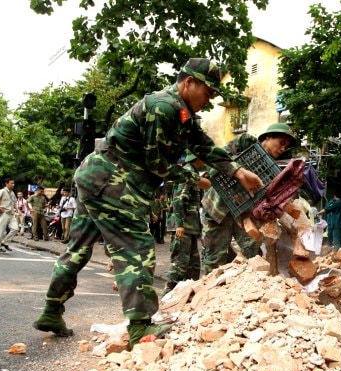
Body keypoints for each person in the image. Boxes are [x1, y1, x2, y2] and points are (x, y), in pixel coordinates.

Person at [32, 57, 263, 348]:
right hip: (111, 181)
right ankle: (140, 326)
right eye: (208, 92)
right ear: (188, 82)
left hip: (97, 178)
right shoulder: (164, 108)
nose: (209, 100)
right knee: (136, 247)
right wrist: (193, 178)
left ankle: (52, 311)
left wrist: (238, 170)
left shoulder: (182, 113)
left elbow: (203, 145)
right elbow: (157, 164)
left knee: (78, 249)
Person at [201, 122, 299, 274]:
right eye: (281, 143)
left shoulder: (271, 168)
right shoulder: (246, 142)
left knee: (254, 257)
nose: (283, 149)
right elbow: (219, 158)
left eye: (286, 147)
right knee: (215, 261)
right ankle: (209, 295)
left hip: (243, 215)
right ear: (268, 136)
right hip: (218, 209)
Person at [163, 151, 204, 295]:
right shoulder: (187, 173)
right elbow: (179, 200)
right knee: (180, 266)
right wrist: (179, 224)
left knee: (193, 268)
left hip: (190, 227)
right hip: (184, 228)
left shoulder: (193, 173)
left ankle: (185, 302)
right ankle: (164, 300)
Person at [0, 178, 19, 252]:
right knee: (1, 231)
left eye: (13, 183)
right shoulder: (2, 191)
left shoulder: (12, 192)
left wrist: (18, 210)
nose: (13, 185)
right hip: (4, 213)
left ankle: (5, 242)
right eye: (11, 183)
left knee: (15, 229)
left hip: (11, 213)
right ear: (6, 183)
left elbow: (14, 202)